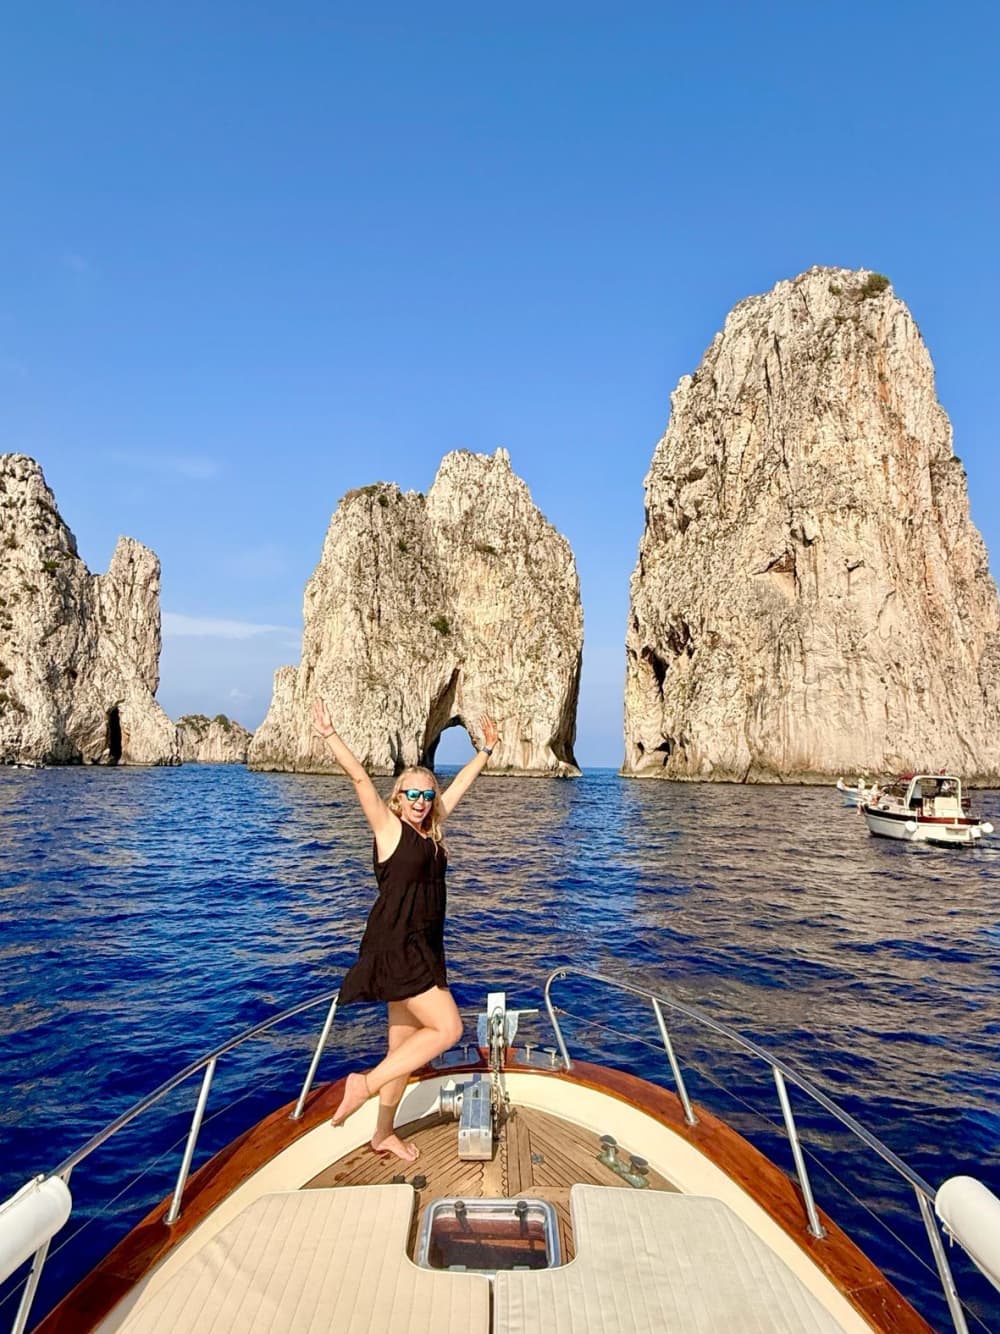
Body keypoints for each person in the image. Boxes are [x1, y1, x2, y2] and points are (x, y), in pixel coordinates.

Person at [311, 697, 500, 1162]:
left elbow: (457, 790)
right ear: (398, 799)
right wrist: (331, 735)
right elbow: (360, 780)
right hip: (397, 946)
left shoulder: (432, 830)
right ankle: (364, 1085)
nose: (420, 801)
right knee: (449, 1027)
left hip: (426, 946)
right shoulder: (389, 829)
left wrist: (486, 752)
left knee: (403, 1048)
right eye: (411, 794)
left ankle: (381, 1133)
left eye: (426, 794)